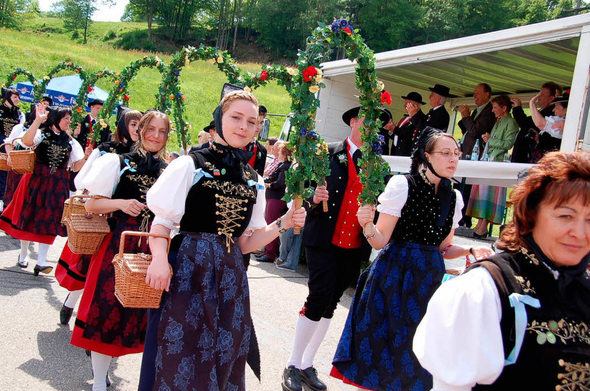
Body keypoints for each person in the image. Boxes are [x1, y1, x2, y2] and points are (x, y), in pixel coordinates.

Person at [139, 90, 306, 390]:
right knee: (179, 354)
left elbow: (245, 243)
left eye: (251, 121)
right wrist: (160, 261)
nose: (244, 126)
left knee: (224, 354)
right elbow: (162, 222)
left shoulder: (252, 178)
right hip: (187, 271)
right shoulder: (190, 165)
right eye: (236, 118)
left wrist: (284, 223)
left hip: (230, 278)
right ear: (219, 120)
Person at [330, 129, 493, 391]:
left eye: (457, 154)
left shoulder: (454, 197)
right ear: (426, 156)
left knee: (419, 357)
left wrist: (470, 252)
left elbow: (442, 248)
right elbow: (379, 241)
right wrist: (366, 225)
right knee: (386, 355)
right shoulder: (402, 185)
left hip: (427, 284)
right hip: (393, 279)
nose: (453, 159)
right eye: (446, 153)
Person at [413, 151, 590, 390]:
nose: (579, 232)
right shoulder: (485, 289)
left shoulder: (582, 288)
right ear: (531, 214)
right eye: (565, 216)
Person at [281, 106, 389, 391]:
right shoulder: (325, 151)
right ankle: (293, 363)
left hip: (354, 244)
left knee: (332, 302)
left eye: (377, 125)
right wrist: (312, 197)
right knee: (319, 296)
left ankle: (307, 363)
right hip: (323, 239)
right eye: (368, 121)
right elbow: (297, 185)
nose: (371, 128)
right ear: (353, 121)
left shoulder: (377, 165)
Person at [69, 110, 170, 391]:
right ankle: (99, 379)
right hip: (119, 243)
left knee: (137, 313)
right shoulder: (118, 162)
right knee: (107, 310)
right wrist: (121, 203)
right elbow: (91, 205)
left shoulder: (168, 170)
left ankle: (114, 368)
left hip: (151, 246)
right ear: (140, 131)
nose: (156, 136)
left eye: (163, 132)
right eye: (152, 129)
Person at [54, 107, 142, 325]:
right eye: (133, 125)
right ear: (123, 125)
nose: (138, 130)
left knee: (109, 275)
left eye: (141, 126)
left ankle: (96, 322)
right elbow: (82, 181)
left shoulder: (144, 156)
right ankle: (71, 304)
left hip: (122, 222)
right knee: (87, 267)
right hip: (100, 217)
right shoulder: (106, 150)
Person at [0, 105, 85, 274]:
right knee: (29, 216)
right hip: (36, 180)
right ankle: (23, 254)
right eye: (66, 118)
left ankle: (41, 261)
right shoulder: (41, 134)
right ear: (56, 118)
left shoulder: (70, 141)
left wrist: (86, 157)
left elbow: (75, 167)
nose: (69, 121)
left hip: (57, 184)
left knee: (50, 220)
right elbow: (25, 142)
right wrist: (38, 121)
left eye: (69, 118)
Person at [466, 95, 519, 238]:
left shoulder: (511, 123)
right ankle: (480, 223)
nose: (493, 110)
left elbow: (508, 144)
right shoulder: (498, 121)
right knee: (482, 194)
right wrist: (488, 140)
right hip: (488, 160)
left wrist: (491, 140)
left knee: (490, 195)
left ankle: (484, 226)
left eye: (495, 107)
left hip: (498, 163)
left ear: (504, 108)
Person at [457, 83, 496, 229]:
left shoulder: (488, 111)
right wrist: (465, 118)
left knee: (467, 188)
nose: (475, 96)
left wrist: (466, 116)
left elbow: (475, 131)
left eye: (478, 93)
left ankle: (464, 220)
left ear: (487, 94)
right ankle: (459, 218)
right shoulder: (477, 110)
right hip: (465, 151)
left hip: (475, 154)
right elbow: (467, 131)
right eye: (474, 93)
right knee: (461, 186)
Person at [257, 143, 292, 263]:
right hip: (273, 197)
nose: (279, 153)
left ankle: (270, 253)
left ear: (285, 153)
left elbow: (280, 183)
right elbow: (272, 177)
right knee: (269, 223)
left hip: (277, 198)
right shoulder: (282, 165)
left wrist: (269, 185)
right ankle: (267, 251)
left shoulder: (286, 166)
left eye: (281, 151)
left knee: (273, 224)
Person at [510, 81, 560, 163]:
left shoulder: (549, 115)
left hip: (532, 157)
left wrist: (517, 109)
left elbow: (526, 124)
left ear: (551, 98)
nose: (539, 98)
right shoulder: (542, 111)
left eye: (542, 95)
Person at [0, 88, 24, 208]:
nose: (18, 100)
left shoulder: (19, 113)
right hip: (0, 143)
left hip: (11, 147)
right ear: (7, 98)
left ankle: (3, 199)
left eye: (18, 97)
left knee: (7, 172)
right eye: (15, 97)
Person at [529, 91, 569, 163]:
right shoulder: (561, 121)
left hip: (553, 160)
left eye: (556, 106)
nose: (553, 110)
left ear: (565, 109)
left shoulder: (564, 122)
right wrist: (539, 139)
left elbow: (540, 124)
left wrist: (532, 103)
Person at [391, 92, 427, 156]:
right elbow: (397, 136)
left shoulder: (421, 119)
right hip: (396, 153)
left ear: (416, 105)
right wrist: (391, 130)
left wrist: (394, 129)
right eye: (405, 103)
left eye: (407, 104)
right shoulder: (404, 118)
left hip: (406, 155)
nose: (404, 106)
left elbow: (408, 136)